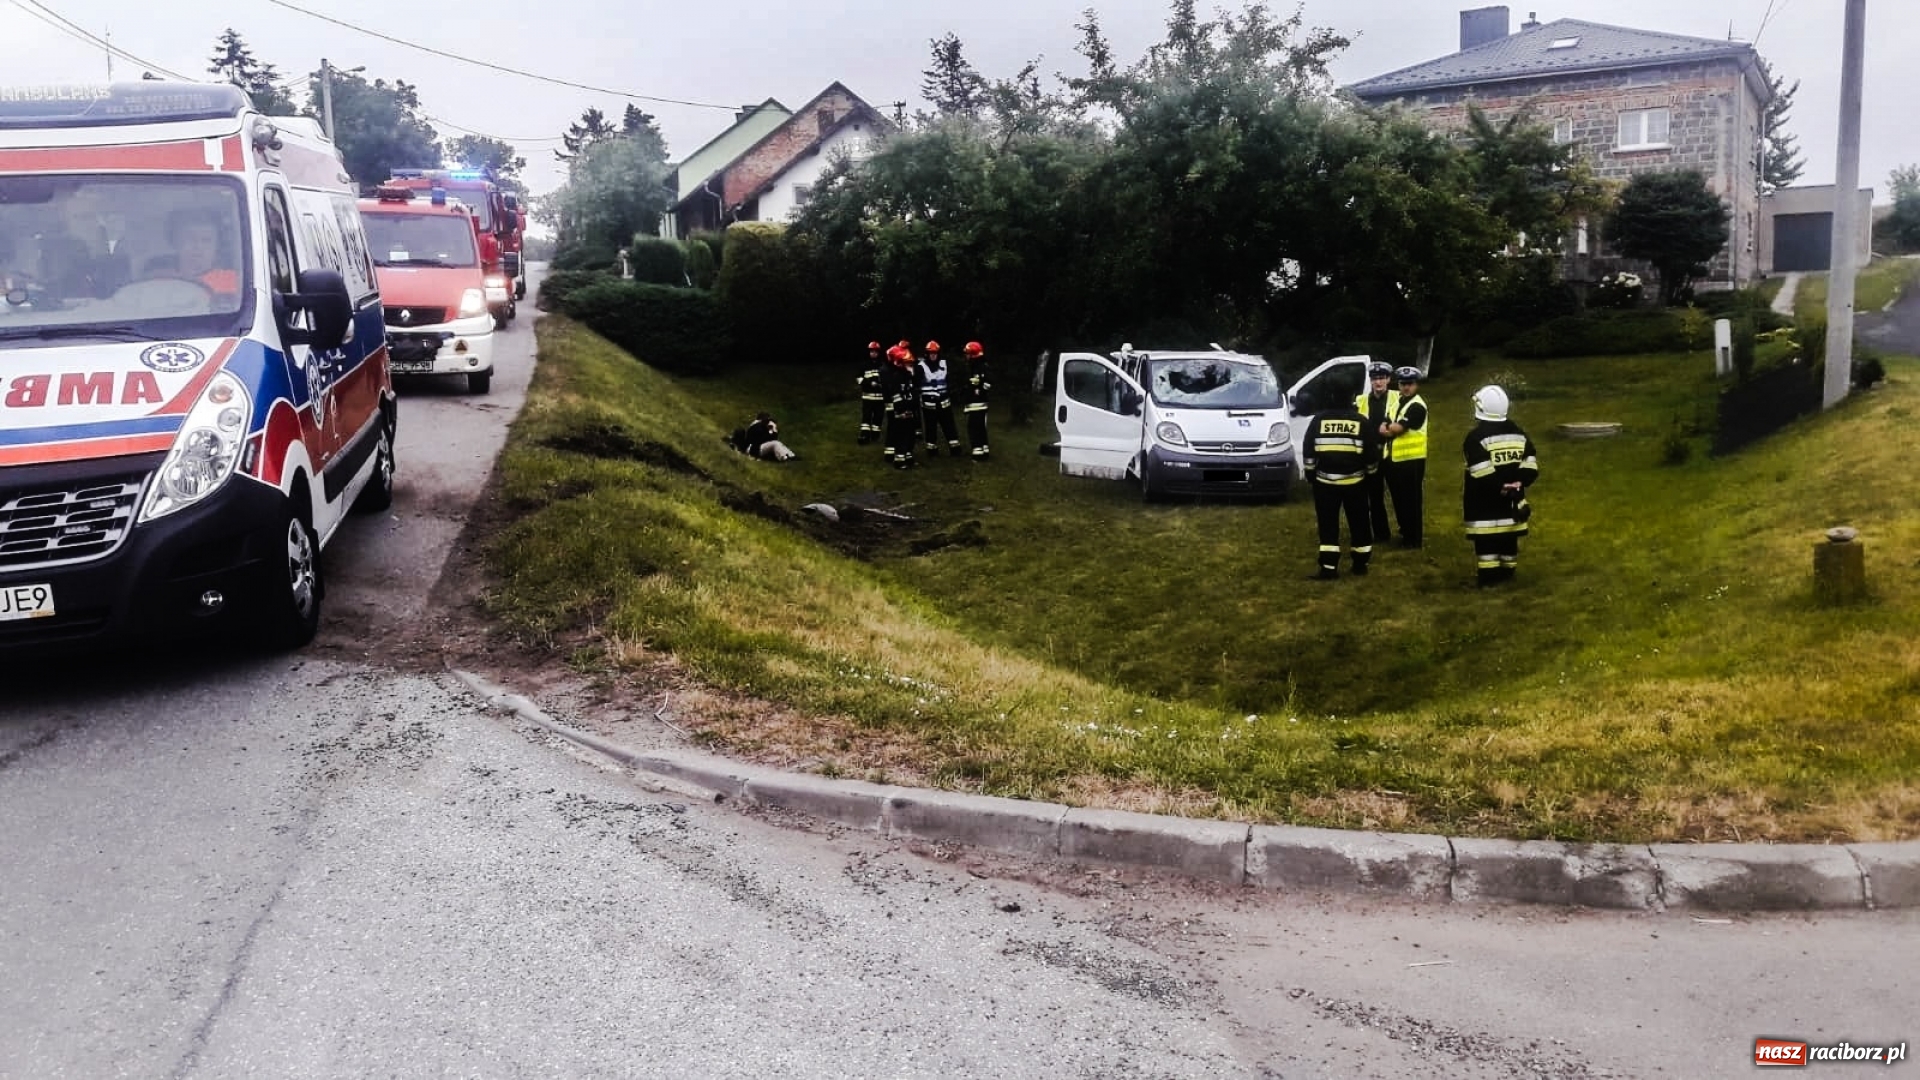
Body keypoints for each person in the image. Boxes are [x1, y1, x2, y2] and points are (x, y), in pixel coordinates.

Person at [1462, 384, 1539, 587]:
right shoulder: (1519, 433)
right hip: (1513, 503)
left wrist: (1501, 486)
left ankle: (1488, 579)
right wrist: (1519, 482)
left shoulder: (1475, 438)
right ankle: (1508, 572)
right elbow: (1530, 464)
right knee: (1509, 538)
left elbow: (1481, 471)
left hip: (1484, 505)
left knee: (1486, 543)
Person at [1302, 395, 1379, 579]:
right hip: (1355, 484)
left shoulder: (1318, 420)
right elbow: (1371, 454)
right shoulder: (1361, 421)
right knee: (1360, 523)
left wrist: (1311, 473)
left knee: (1328, 526)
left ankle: (1329, 567)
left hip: (1325, 484)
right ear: (1351, 400)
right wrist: (1370, 475)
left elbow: (1308, 449)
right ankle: (1360, 564)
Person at [1382, 366, 1430, 548]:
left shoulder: (1417, 406)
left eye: (1410, 384)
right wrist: (1389, 428)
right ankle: (1405, 531)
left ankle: (1413, 539)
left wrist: (1389, 428)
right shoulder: (1398, 402)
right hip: (1395, 460)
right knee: (1399, 499)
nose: (1406, 387)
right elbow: (1385, 424)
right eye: (1403, 383)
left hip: (1412, 461)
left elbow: (1397, 428)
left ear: (1416, 385)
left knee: (1411, 501)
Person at [1354, 361, 1398, 544]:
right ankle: (1381, 534)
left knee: (1398, 495)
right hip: (1371, 455)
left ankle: (1406, 530)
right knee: (1374, 496)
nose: (1378, 382)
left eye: (1381, 378)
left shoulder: (1397, 397)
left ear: (1388, 380)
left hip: (1393, 454)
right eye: (1374, 379)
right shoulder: (1361, 400)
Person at [148, 209, 239, 297]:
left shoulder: (231, 282)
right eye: (190, 239)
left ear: (217, 246)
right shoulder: (158, 280)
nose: (198, 247)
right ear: (175, 242)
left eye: (206, 240)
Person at [917, 340, 962, 457]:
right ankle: (932, 450)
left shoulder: (944, 364)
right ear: (927, 353)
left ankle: (955, 449)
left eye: (935, 353)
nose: (933, 355)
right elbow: (916, 384)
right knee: (930, 427)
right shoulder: (920, 367)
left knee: (949, 426)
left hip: (944, 402)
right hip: (929, 404)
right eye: (931, 353)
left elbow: (950, 381)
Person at [880, 344, 921, 469]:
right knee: (901, 437)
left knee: (910, 436)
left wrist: (914, 402)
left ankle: (908, 457)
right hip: (901, 412)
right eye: (908, 364)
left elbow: (913, 393)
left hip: (910, 411)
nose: (911, 367)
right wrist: (902, 409)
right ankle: (899, 461)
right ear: (900, 364)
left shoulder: (908, 378)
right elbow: (897, 397)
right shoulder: (897, 377)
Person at [959, 340, 992, 460]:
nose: (966, 356)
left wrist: (975, 389)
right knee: (981, 428)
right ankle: (984, 450)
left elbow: (986, 384)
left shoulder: (978, 367)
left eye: (968, 354)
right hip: (979, 403)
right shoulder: (980, 366)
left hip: (976, 403)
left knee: (974, 428)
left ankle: (978, 454)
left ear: (973, 355)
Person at [856, 341, 885, 445]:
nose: (873, 353)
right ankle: (864, 435)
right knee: (866, 417)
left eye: (875, 352)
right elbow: (859, 379)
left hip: (880, 398)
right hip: (868, 397)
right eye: (872, 351)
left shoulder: (882, 365)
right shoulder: (864, 365)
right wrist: (869, 383)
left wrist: (881, 384)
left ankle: (875, 436)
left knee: (878, 417)